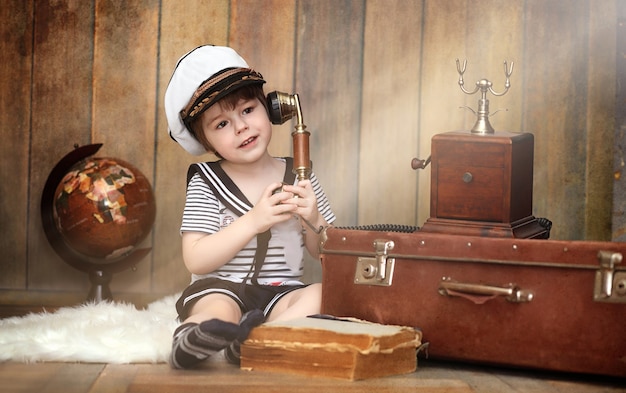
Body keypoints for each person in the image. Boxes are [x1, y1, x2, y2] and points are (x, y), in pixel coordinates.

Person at [164, 45, 336, 369]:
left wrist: (314, 220)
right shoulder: (205, 180)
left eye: (246, 110)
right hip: (219, 287)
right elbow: (196, 258)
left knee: (320, 294)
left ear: (269, 109)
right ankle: (192, 338)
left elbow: (324, 253)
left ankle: (257, 340)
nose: (241, 127)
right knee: (219, 310)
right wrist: (252, 221)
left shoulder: (300, 174)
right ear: (205, 142)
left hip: (280, 292)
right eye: (221, 124)